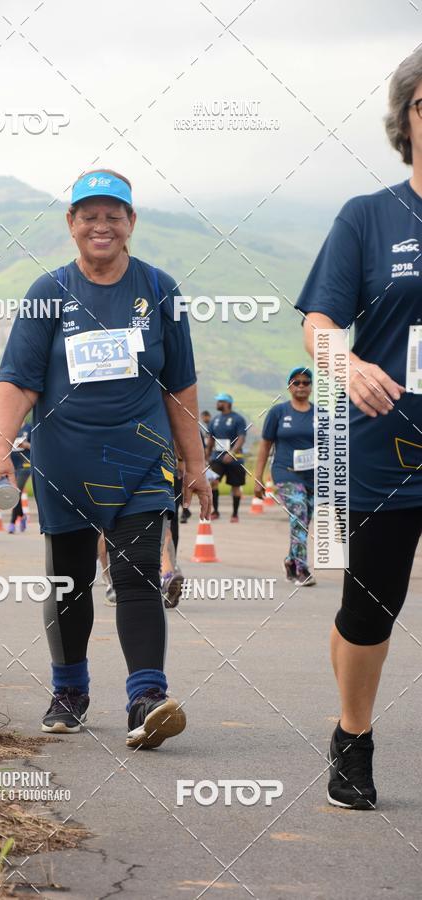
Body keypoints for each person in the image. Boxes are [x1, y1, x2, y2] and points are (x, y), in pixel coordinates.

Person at [0, 169, 210, 749]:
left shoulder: (160, 289)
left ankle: (146, 697)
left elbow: (179, 386)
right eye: (89, 215)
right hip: (65, 464)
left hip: (140, 463)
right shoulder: (47, 292)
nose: (101, 225)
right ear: (71, 224)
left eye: (114, 215)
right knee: (70, 581)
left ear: (131, 222)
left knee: (137, 580)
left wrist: (195, 463)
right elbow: (18, 380)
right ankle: (70, 689)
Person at [295, 47, 422, 810]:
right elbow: (318, 323)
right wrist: (346, 365)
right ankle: (353, 732)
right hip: (388, 442)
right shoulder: (368, 217)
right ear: (407, 118)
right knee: (370, 609)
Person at [253, 367, 316, 586]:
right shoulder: (278, 412)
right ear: (289, 386)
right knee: (298, 514)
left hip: (313, 477)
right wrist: (258, 477)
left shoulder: (320, 414)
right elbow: (265, 446)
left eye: (305, 382)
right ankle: (301, 569)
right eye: (296, 382)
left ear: (311, 386)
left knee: (304, 520)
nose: (301, 386)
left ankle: (291, 560)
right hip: (285, 473)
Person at [205, 393, 247, 521]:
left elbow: (241, 438)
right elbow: (211, 440)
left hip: (235, 459)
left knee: (235, 487)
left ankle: (235, 514)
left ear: (228, 403)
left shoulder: (238, 419)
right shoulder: (214, 420)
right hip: (217, 458)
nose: (218, 404)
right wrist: (206, 456)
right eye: (217, 401)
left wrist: (232, 453)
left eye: (220, 401)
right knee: (213, 482)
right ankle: (215, 511)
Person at [8, 422, 32, 533]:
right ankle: (22, 516)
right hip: (12, 465)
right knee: (15, 492)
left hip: (25, 465)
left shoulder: (30, 427)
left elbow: (37, 446)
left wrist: (26, 445)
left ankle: (12, 522)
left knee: (16, 491)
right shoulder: (10, 427)